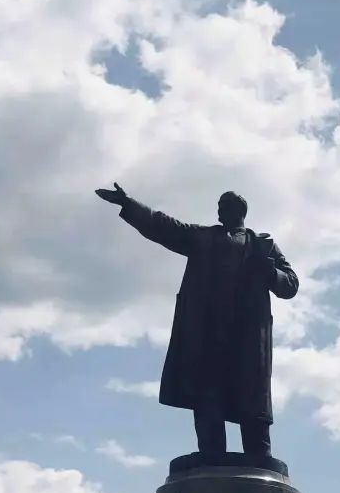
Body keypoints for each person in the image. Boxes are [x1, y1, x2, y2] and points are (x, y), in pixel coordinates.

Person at [94, 183, 298, 458]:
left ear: (240, 211)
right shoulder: (202, 237)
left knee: (252, 404)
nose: (219, 211)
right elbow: (164, 226)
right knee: (208, 398)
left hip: (247, 337)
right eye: (218, 207)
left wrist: (271, 273)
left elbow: (291, 285)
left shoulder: (264, 245)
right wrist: (128, 204)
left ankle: (260, 461)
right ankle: (211, 459)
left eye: (225, 206)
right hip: (208, 332)